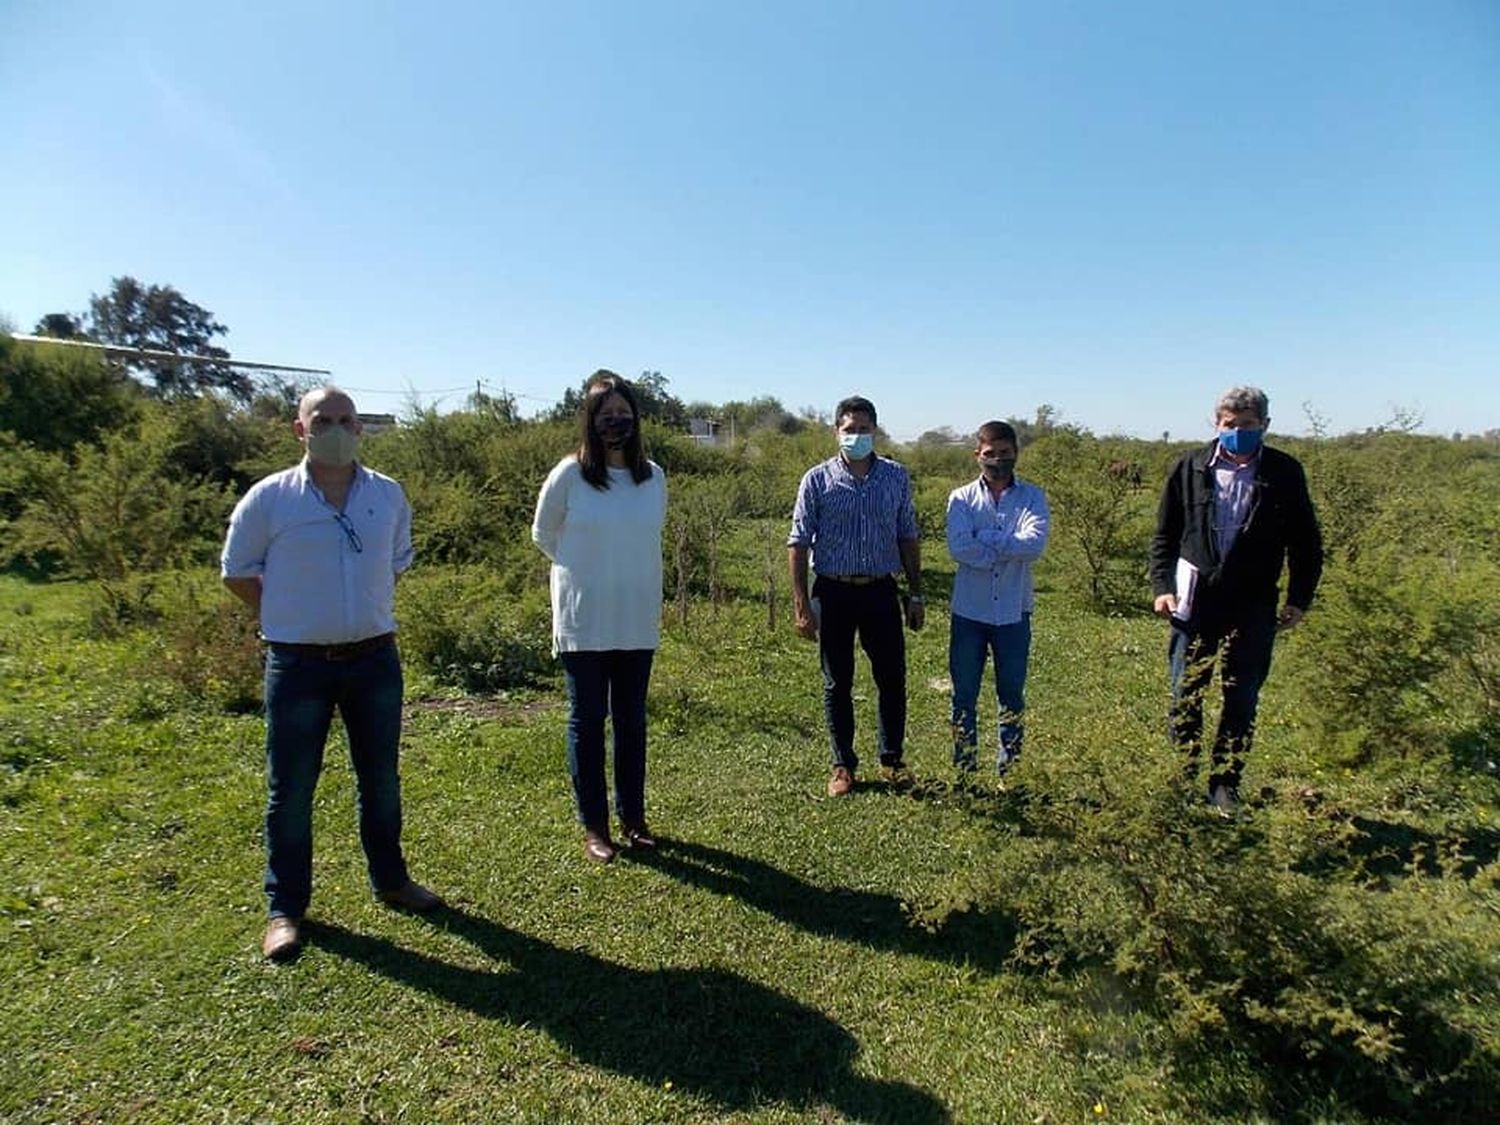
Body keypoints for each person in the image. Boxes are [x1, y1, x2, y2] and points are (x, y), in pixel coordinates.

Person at [222, 386, 442, 963]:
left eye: (347, 420)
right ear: (300, 430)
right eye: (324, 420)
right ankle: (285, 910)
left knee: (381, 779)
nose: (337, 428)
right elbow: (237, 571)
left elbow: (394, 564)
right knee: (290, 790)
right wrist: (289, 616)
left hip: (373, 659)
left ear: (361, 430)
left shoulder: (388, 496)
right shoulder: (270, 499)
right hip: (297, 664)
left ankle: (392, 881)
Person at [1150, 385, 1323, 814]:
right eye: (1230, 425)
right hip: (1194, 600)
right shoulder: (1190, 467)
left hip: (1254, 601)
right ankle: (1181, 777)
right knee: (1186, 693)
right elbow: (1164, 535)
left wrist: (1299, 597)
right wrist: (1161, 587)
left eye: (1247, 425)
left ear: (1264, 425)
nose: (1238, 432)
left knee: (1241, 696)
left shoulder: (1283, 471)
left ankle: (1225, 783)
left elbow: (1305, 542)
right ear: (1216, 422)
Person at [532, 371, 667, 864]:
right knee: (588, 721)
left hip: (636, 619)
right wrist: (586, 573)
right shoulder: (569, 474)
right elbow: (544, 535)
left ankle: (633, 818)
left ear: (636, 419)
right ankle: (595, 826)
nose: (616, 422)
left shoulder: (652, 477)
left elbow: (648, 536)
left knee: (631, 721)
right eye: (605, 414)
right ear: (589, 421)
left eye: (624, 414)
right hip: (584, 619)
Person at [788, 395, 924, 797]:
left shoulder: (895, 477)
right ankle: (842, 765)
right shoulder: (817, 479)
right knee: (837, 681)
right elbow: (798, 541)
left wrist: (915, 593)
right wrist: (800, 604)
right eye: (849, 429)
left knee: (891, 678)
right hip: (833, 592)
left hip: (881, 589)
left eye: (864, 429)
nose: (857, 436)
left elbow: (907, 534)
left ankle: (892, 760)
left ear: (875, 431)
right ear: (837, 432)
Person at [945, 420, 1050, 774]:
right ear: (978, 455)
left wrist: (985, 538)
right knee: (963, 696)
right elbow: (960, 548)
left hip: (1013, 612)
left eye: (1005, 453)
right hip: (969, 613)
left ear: (1016, 453)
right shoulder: (960, 498)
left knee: (1011, 695)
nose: (998, 460)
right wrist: (1007, 544)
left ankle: (1011, 771)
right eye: (990, 454)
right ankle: (965, 769)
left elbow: (1033, 545)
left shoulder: (1033, 497)